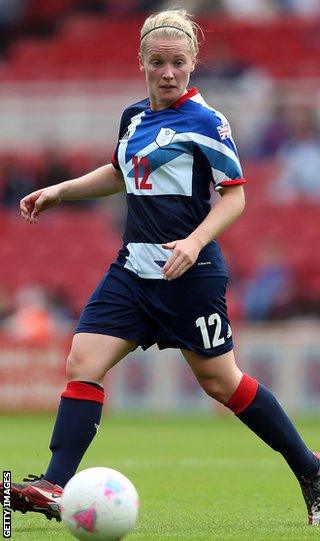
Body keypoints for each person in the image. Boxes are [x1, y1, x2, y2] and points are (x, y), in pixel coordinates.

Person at [1, 8, 320, 527]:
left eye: (177, 62)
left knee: (221, 383)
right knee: (83, 361)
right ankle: (55, 484)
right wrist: (62, 190)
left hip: (188, 274)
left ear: (192, 63)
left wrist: (194, 243)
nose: (168, 72)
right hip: (133, 271)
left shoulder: (207, 121)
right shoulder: (133, 117)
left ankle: (310, 468)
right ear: (142, 63)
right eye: (158, 63)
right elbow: (122, 170)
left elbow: (235, 198)